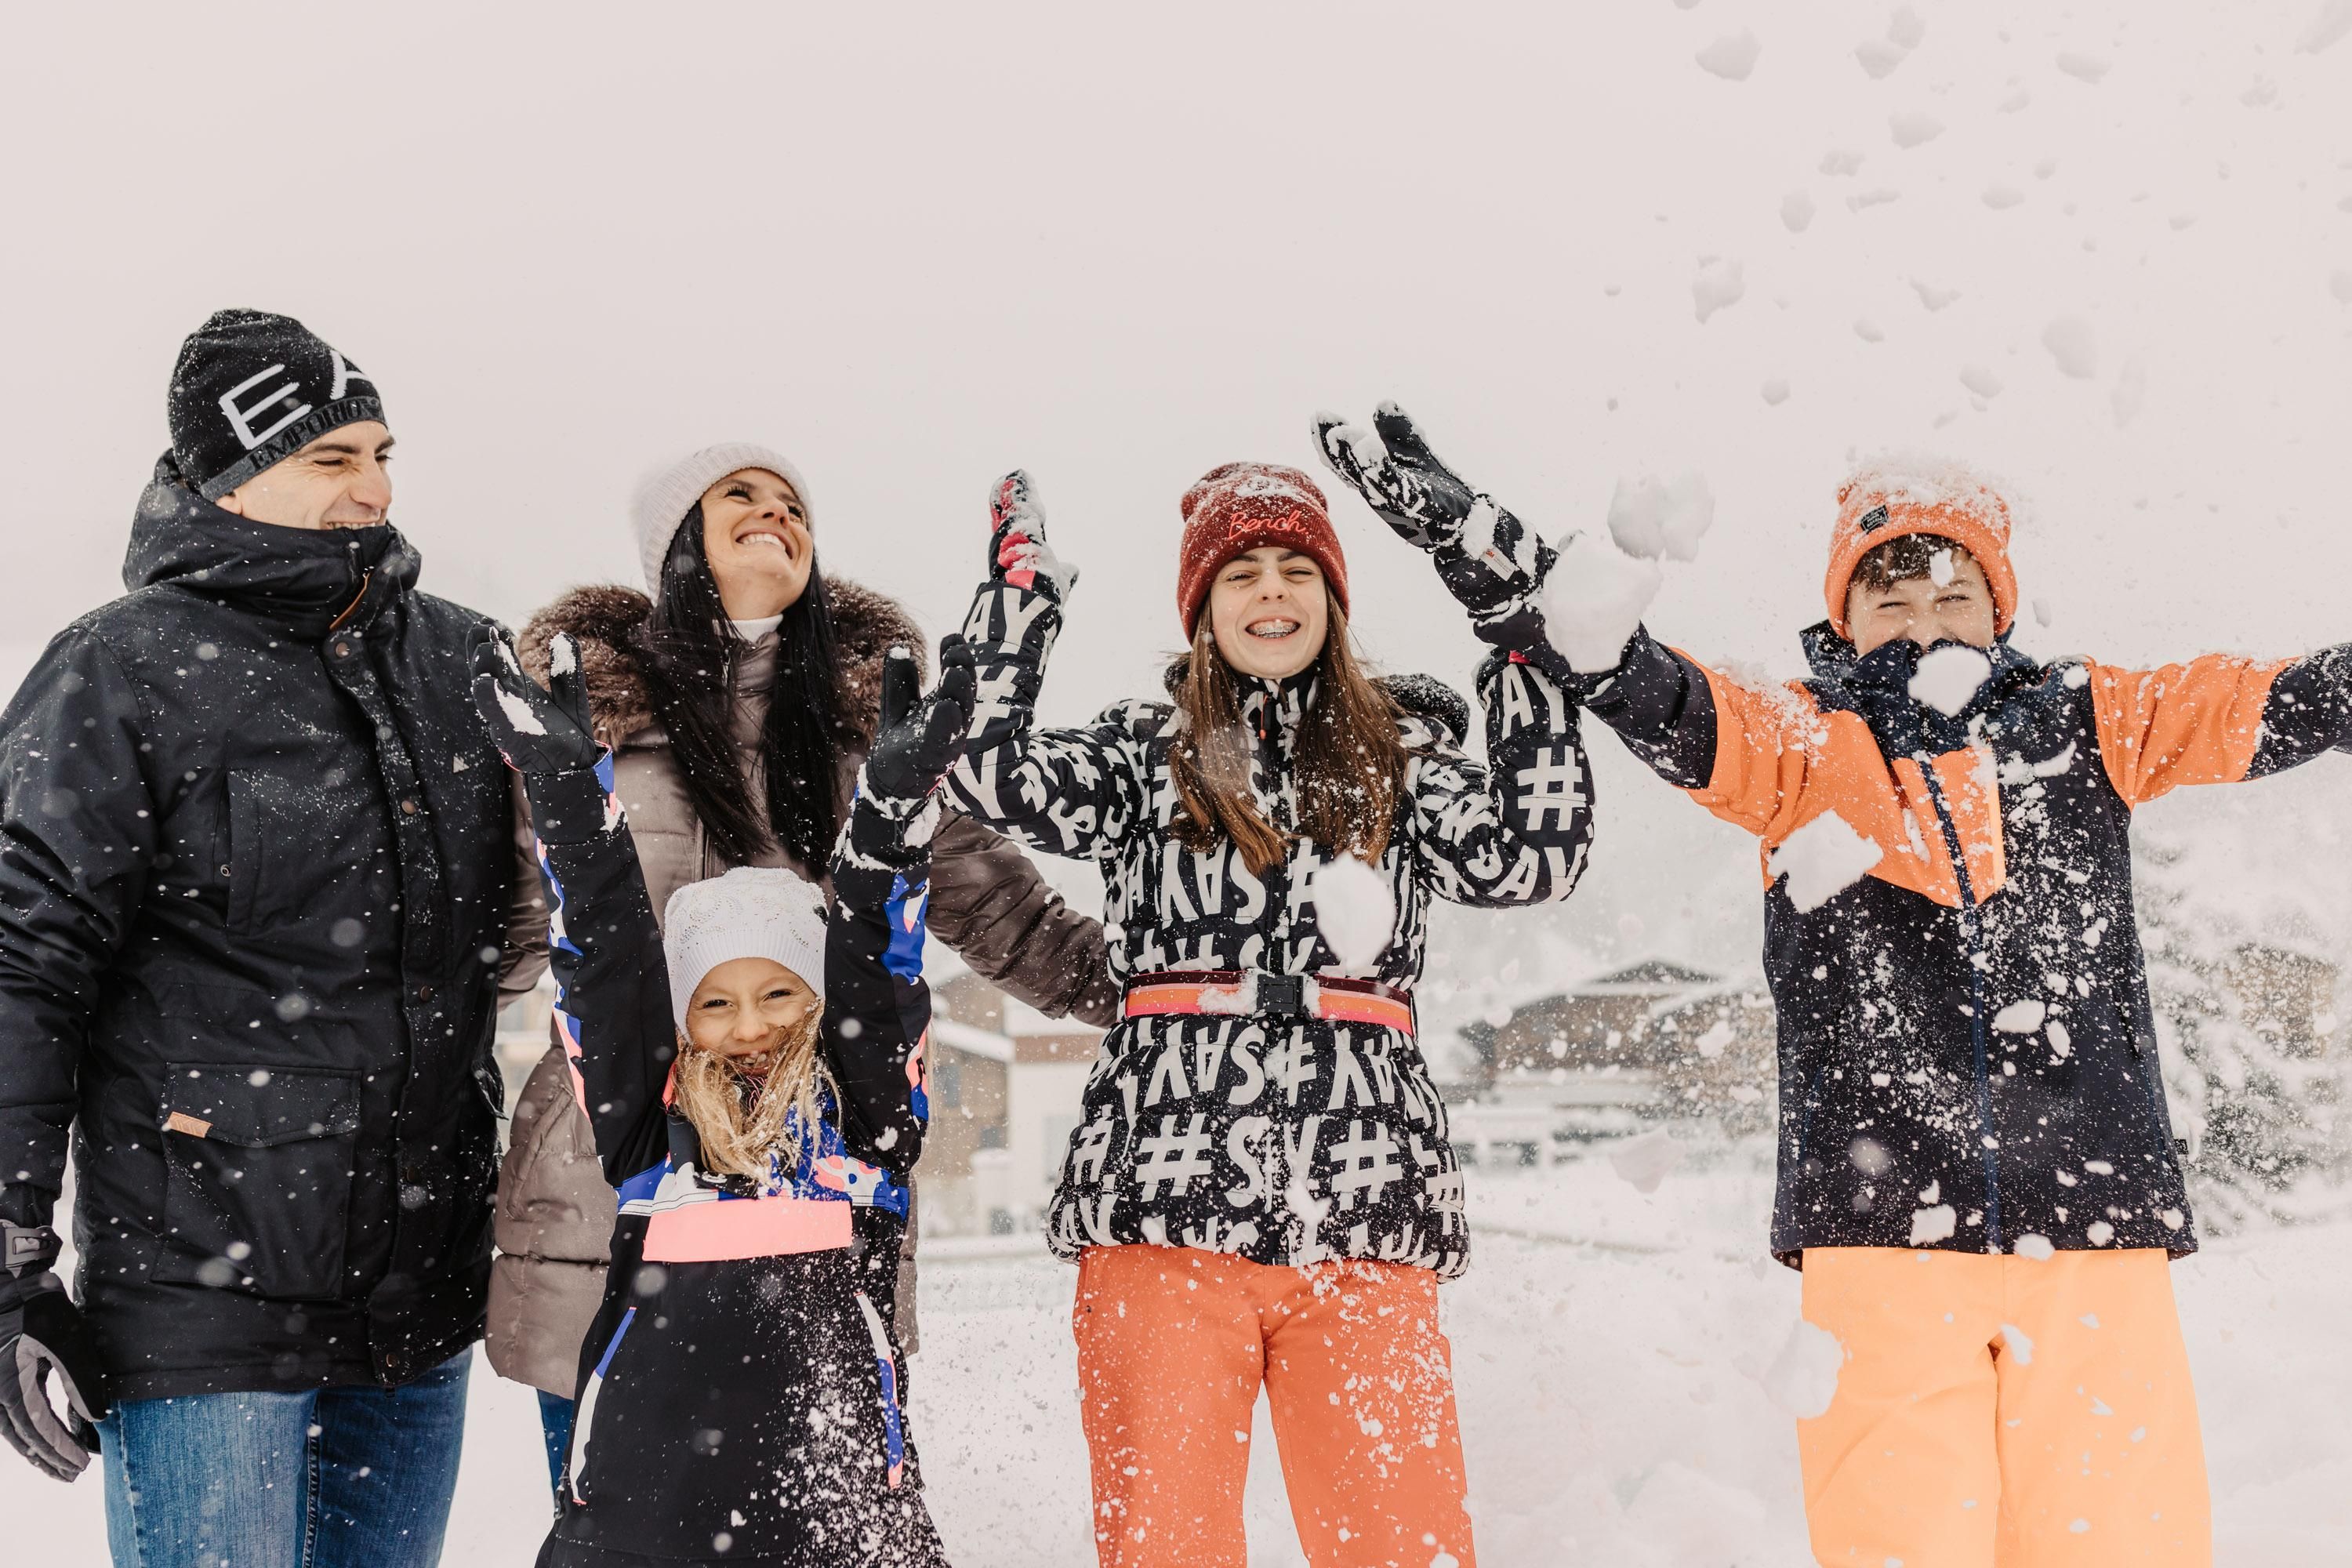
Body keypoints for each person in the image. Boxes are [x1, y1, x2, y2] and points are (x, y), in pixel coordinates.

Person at [1317, 409, 2352, 1568]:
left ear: (2000, 609)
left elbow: (2269, 702)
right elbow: (1633, 674)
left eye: (1953, 597)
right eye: (1890, 602)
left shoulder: (2091, 720)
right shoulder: (1799, 745)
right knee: (1900, 1542)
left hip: (2090, 1221)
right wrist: (1489, 556)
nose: (1924, 625)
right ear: (1845, 618)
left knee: (2124, 1542)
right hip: (1882, 1226)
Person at [942, 461, 1596, 1567]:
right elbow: (980, 771)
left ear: (1333, 598)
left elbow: (1538, 857)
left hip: (1366, 1203)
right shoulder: (1141, 754)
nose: (1272, 590)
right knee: (1167, 1545)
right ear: (1203, 606)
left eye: (1297, 567)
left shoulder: (1401, 757)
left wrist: (1515, 629)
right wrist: (1020, 602)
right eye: (1240, 572)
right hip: (1164, 1203)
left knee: (1403, 1545)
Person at [0, 310, 545, 1565]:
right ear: (228, 480)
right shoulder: (120, 671)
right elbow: (25, 968)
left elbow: (544, 923)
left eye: (382, 453)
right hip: (204, 1295)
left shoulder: (462, 659)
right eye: (330, 459)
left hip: (419, 1292)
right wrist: (13, 1258)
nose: (376, 490)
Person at [490, 445, 1116, 1492]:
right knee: (621, 1534)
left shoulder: (870, 746)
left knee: (828, 1530)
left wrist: (1187, 987)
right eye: (740, 494)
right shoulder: (583, 737)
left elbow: (1016, 920)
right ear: (673, 540)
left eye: (793, 505)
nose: (775, 513)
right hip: (606, 1192)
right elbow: (488, 947)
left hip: (824, 1183)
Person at [473, 619, 964, 1568]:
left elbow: (878, 967)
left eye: (779, 992)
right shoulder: (650, 1131)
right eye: (717, 1001)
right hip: (639, 1530)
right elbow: (602, 964)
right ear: (683, 1019)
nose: (749, 1025)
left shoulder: (864, 1123)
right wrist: (570, 804)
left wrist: (892, 814)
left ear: (817, 1002)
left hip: (838, 1526)